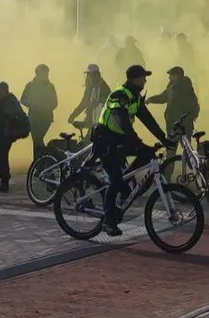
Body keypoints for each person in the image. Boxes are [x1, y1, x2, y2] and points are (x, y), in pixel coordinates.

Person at [96, 64, 168, 236]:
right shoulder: (120, 94)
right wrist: (134, 139)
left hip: (121, 138)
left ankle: (124, 184)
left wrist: (164, 139)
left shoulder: (135, 97)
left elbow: (148, 119)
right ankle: (109, 222)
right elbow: (122, 121)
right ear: (134, 78)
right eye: (143, 77)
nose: (145, 80)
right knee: (114, 181)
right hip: (106, 139)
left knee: (148, 154)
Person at [146, 66, 201, 177]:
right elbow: (163, 98)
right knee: (185, 150)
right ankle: (196, 174)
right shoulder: (176, 87)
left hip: (179, 125)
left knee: (175, 151)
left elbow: (190, 106)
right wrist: (150, 99)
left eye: (171, 75)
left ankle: (170, 176)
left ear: (178, 76)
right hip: (176, 125)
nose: (169, 78)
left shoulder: (182, 88)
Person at [0, 82, 29, 193]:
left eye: (1, 92)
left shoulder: (12, 102)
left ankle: (5, 180)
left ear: (6, 91)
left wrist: (19, 131)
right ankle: (4, 176)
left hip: (6, 135)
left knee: (2, 157)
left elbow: (21, 116)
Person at [21, 64, 59, 160]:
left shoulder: (50, 86)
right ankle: (39, 161)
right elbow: (23, 99)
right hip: (33, 117)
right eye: (44, 73)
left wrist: (46, 108)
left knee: (38, 139)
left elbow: (55, 103)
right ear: (38, 73)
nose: (46, 75)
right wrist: (31, 105)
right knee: (36, 140)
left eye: (47, 73)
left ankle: (43, 159)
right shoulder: (30, 85)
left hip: (46, 117)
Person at [67, 63, 111, 133]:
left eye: (91, 75)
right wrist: (73, 115)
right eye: (89, 74)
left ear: (97, 74)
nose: (89, 77)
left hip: (100, 120)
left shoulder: (103, 87)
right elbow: (84, 102)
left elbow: (108, 103)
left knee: (92, 139)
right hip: (91, 118)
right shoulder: (90, 86)